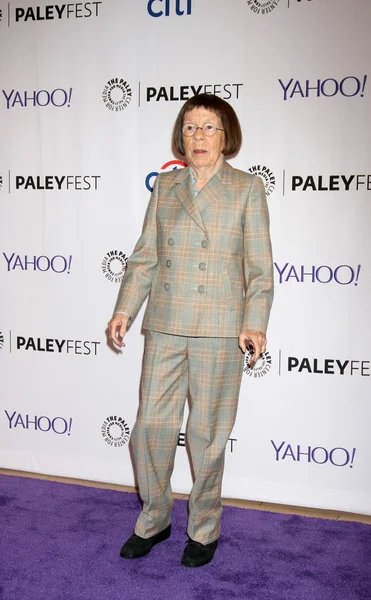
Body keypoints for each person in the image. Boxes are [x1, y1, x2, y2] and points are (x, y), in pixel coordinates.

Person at [107, 93, 273, 568]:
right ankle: (155, 517)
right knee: (151, 428)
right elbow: (145, 257)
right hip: (165, 324)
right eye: (190, 128)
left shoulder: (246, 188)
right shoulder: (166, 186)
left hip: (220, 328)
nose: (198, 136)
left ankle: (203, 528)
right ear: (181, 136)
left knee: (206, 435)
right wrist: (125, 309)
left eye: (208, 127)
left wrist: (254, 323)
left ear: (227, 137)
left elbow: (260, 269)